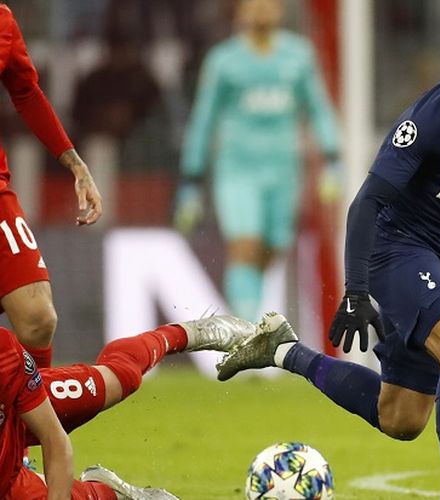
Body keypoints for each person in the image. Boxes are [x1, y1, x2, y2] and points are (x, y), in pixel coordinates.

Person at [217, 17, 440, 500]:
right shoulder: (438, 114)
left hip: (436, 258)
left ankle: (281, 350)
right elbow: (367, 202)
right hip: (392, 245)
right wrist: (355, 290)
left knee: (401, 418)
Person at [175, 0, 340, 322]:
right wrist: (190, 179)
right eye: (253, 5)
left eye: (268, 4)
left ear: (280, 11)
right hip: (238, 169)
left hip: (284, 169)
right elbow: (204, 119)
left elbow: (318, 108)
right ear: (240, 13)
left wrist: (333, 159)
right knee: (245, 245)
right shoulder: (224, 61)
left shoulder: (299, 56)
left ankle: (249, 310)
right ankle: (247, 328)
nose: (261, 10)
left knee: (272, 247)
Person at [2, 314, 260, 499]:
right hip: (7, 480)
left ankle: (190, 333)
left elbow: (55, 439)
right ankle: (112, 493)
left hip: (25, 405)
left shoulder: (5, 355)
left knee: (119, 378)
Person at [0, 4, 103, 370]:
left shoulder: (3, 20)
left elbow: (26, 92)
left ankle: (29, 426)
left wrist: (74, 163)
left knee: (39, 318)